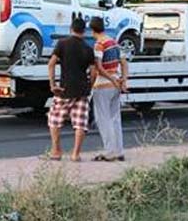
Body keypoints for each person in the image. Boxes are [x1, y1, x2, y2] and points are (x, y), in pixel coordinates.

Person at [45, 18, 95, 162]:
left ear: (71, 29)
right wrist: (89, 85)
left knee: (54, 119)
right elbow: (94, 72)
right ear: (84, 31)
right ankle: (75, 154)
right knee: (80, 122)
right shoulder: (88, 48)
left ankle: (56, 151)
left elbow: (51, 64)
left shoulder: (62, 44)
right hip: (82, 90)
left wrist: (52, 84)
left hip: (64, 89)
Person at [89, 17, 128, 162]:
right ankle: (119, 150)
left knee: (102, 119)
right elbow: (124, 63)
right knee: (115, 118)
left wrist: (95, 83)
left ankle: (109, 151)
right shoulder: (114, 42)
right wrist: (123, 79)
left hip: (103, 85)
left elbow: (98, 67)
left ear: (92, 30)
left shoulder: (99, 44)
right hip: (116, 85)